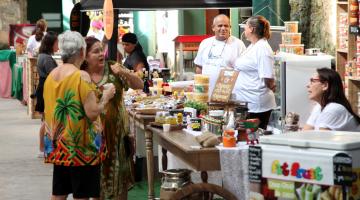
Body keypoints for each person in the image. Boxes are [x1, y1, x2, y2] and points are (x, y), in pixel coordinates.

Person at [43, 30, 115, 200]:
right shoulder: (81, 76)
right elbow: (92, 113)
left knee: (59, 194)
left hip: (59, 145)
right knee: (81, 195)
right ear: (82, 52)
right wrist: (106, 97)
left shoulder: (52, 75)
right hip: (80, 148)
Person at [81, 36, 143, 200]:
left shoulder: (113, 68)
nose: (101, 54)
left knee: (119, 178)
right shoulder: (81, 75)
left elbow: (139, 85)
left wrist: (123, 72)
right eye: (96, 51)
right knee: (97, 180)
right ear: (85, 56)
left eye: (101, 49)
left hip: (116, 136)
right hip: (92, 138)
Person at [232, 15, 276, 130]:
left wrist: (271, 86)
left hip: (256, 104)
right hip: (246, 102)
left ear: (251, 29)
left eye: (246, 27)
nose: (244, 30)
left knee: (253, 136)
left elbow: (268, 77)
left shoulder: (262, 48)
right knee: (244, 136)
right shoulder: (253, 46)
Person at [194, 14, 246, 95]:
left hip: (229, 93)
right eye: (220, 26)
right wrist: (198, 89)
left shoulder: (238, 44)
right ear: (213, 27)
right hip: (206, 93)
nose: (223, 28)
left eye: (226, 26)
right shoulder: (205, 43)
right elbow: (199, 67)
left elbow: (243, 70)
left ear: (230, 27)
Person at [35, 31, 58, 158]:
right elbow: (54, 76)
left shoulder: (43, 56)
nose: (58, 45)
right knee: (46, 121)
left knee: (45, 120)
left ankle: (43, 148)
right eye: (56, 43)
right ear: (51, 44)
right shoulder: (47, 58)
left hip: (43, 88)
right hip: (45, 89)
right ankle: (42, 148)